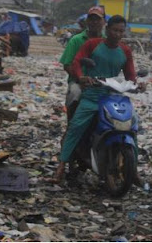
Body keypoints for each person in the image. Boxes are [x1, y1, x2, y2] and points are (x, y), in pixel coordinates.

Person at [51, 15, 145, 183]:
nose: (117, 34)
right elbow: (76, 62)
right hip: (93, 96)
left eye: (121, 31)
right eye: (115, 30)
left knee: (132, 126)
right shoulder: (92, 44)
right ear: (107, 29)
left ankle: (134, 171)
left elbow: (131, 76)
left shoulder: (125, 50)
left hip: (115, 96)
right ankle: (60, 167)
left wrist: (138, 86)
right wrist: (81, 77)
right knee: (76, 127)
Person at [59, 6, 106, 121]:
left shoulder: (107, 41)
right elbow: (67, 64)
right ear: (87, 21)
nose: (94, 22)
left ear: (104, 22)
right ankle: (72, 125)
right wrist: (80, 78)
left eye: (98, 19)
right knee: (75, 94)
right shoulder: (76, 40)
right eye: (91, 19)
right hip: (78, 81)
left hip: (101, 82)